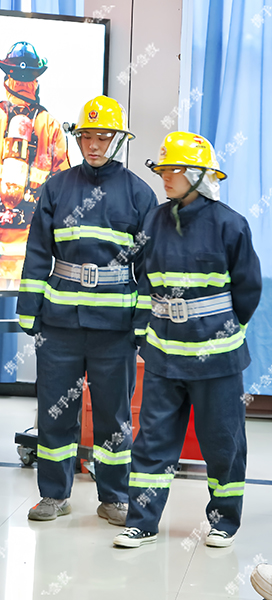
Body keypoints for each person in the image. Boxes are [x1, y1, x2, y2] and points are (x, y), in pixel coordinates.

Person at [113, 132, 262, 548]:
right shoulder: (154, 220)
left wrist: (222, 333)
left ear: (198, 175)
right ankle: (142, 520)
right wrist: (147, 333)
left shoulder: (231, 224)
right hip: (163, 354)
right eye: (162, 169)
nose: (165, 177)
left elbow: (247, 290)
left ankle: (223, 521)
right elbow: (144, 278)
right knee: (153, 442)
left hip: (216, 359)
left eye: (173, 169)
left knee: (223, 442)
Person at [16, 95, 157, 525]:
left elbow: (149, 266)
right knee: (54, 408)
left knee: (113, 414)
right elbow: (39, 251)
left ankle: (114, 495)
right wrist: (29, 308)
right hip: (59, 322)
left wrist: (143, 322)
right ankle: (53, 494)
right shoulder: (56, 188)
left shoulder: (139, 193)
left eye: (103, 137)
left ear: (118, 140)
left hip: (114, 326)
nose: (93, 145)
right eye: (86, 137)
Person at [0, 41, 70, 289]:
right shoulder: (51, 126)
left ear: (7, 80)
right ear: (35, 81)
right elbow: (68, 191)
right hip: (33, 257)